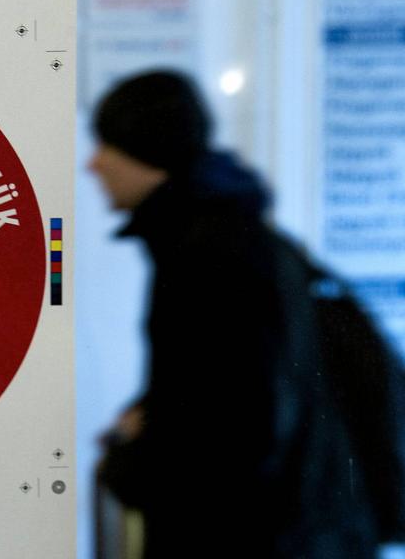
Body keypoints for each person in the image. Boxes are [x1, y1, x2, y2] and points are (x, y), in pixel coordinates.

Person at [90, 70, 381, 558]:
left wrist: (130, 463)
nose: (93, 164)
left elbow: (233, 431)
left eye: (108, 145)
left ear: (147, 152)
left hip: (252, 536)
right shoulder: (228, 235)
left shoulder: (208, 256)